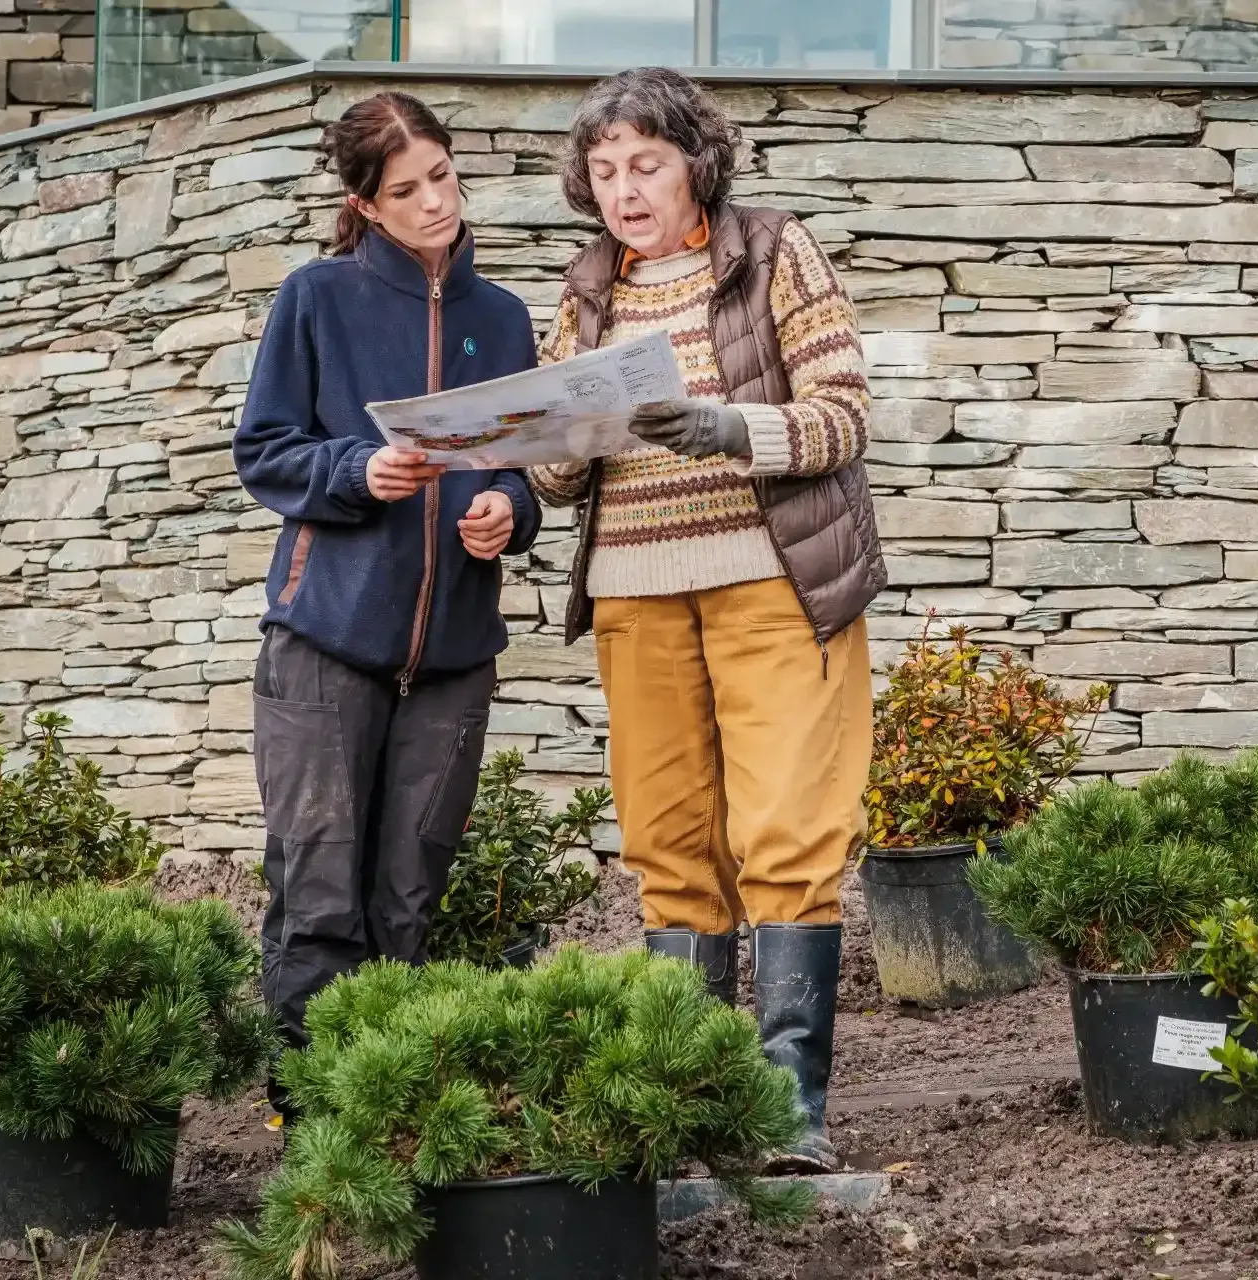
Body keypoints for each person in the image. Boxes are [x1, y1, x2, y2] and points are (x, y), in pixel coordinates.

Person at [530, 67, 884, 1173]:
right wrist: (550, 443)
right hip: (637, 594)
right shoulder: (587, 292)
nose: (627, 189)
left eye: (647, 164)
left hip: (773, 581)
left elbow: (843, 418)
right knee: (671, 850)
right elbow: (553, 481)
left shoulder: (775, 249)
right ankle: (688, 1106)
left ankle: (787, 1113)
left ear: (696, 162)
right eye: (606, 171)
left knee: (784, 835)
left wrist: (725, 426)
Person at [232, 92, 541, 1122]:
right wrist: (361, 470)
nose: (433, 203)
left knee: (407, 900)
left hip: (453, 654)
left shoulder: (501, 319)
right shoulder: (315, 298)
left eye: (443, 177)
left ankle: (384, 1117)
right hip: (325, 640)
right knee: (318, 896)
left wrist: (508, 507)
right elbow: (265, 449)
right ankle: (311, 1124)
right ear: (363, 205)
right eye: (405, 191)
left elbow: (524, 466)